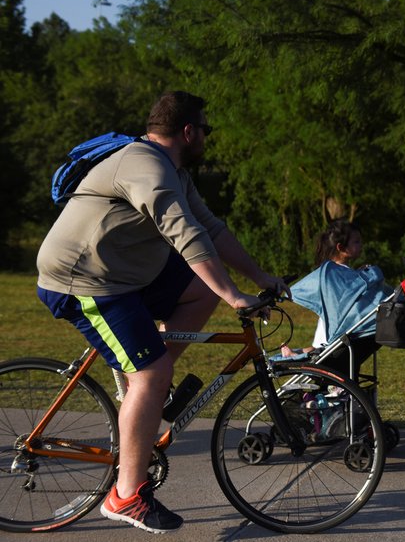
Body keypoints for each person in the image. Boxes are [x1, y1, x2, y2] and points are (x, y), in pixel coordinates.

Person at [36, 91, 288, 534]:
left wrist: (261, 276)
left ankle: (150, 390)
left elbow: (211, 228)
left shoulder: (174, 171)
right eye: (206, 130)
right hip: (85, 281)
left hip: (126, 271)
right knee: (150, 374)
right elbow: (186, 234)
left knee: (198, 295)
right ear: (188, 131)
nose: (208, 138)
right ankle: (126, 495)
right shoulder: (144, 164)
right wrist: (234, 295)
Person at [283, 220, 388, 378]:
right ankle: (294, 355)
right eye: (356, 241)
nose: (361, 245)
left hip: (336, 322)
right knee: (320, 351)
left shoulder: (337, 274)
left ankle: (295, 353)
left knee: (317, 350)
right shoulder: (338, 275)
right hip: (336, 327)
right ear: (341, 248)